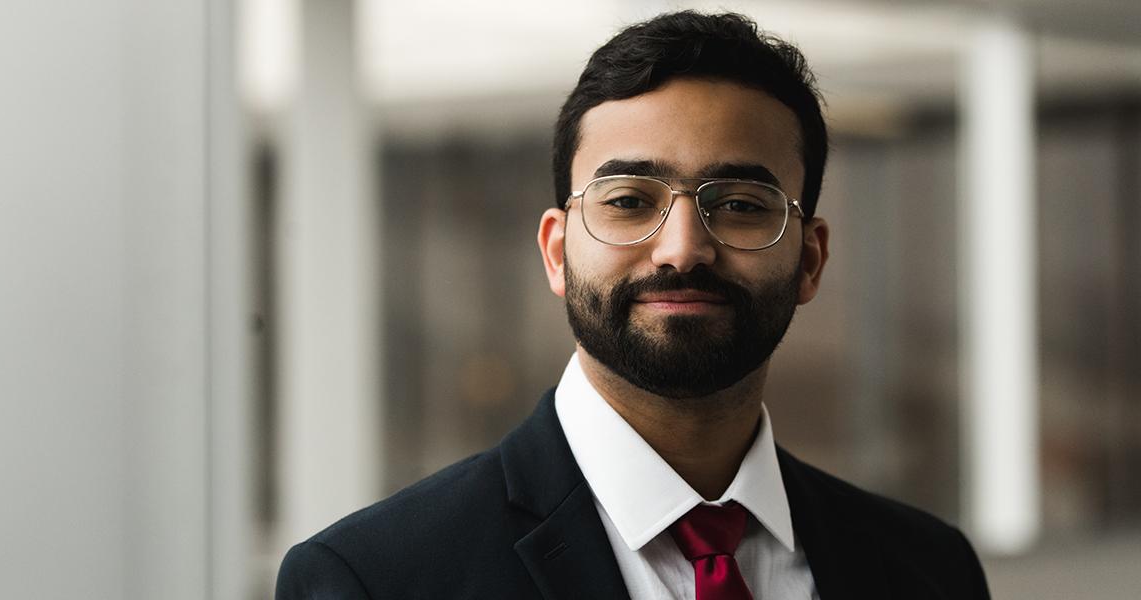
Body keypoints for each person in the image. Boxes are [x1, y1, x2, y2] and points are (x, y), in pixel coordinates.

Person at [276, 10, 991, 600]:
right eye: (627, 201)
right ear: (557, 252)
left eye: (740, 204)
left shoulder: (930, 571)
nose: (682, 248)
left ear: (810, 258)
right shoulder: (375, 582)